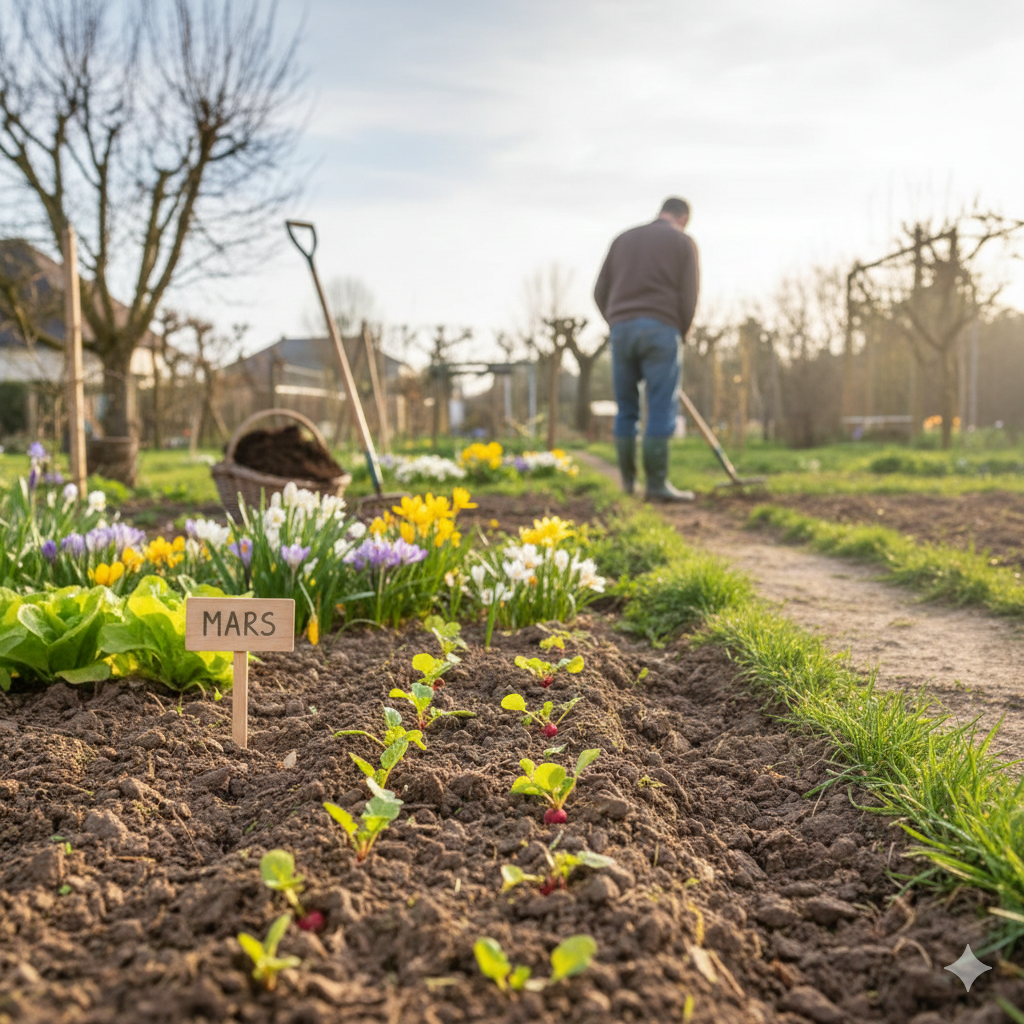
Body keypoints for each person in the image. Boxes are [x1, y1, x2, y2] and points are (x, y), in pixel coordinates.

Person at [594, 196, 699, 500]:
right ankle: (656, 486)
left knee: (626, 408)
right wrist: (682, 333)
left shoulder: (622, 240)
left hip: (622, 332)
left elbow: (599, 291)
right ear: (683, 217)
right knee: (660, 406)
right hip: (662, 328)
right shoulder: (682, 242)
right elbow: (689, 295)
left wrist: (617, 323)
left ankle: (628, 485)